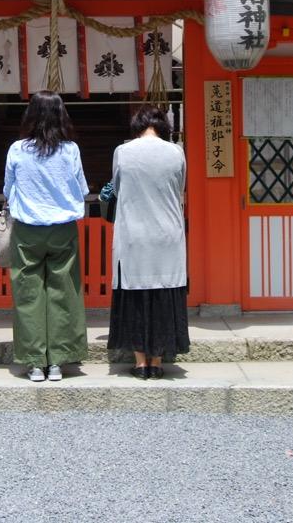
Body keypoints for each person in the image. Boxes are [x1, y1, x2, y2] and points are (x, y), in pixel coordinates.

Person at [3, 90, 89, 382]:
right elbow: (82, 188)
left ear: (31, 115)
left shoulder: (17, 149)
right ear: (61, 115)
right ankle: (58, 361)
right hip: (62, 227)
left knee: (28, 294)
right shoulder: (70, 150)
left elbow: (7, 189)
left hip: (27, 228)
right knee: (63, 292)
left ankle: (34, 361)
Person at [106, 105, 188, 379]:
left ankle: (141, 362)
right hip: (167, 234)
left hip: (134, 234)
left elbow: (117, 188)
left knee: (136, 295)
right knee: (164, 294)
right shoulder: (176, 152)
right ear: (163, 126)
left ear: (137, 126)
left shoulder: (123, 152)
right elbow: (180, 187)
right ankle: (158, 360)